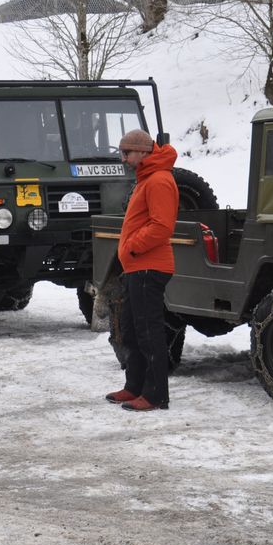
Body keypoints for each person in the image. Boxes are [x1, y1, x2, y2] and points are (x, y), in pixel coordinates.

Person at [105, 129, 179, 411]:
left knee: (149, 333)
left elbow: (162, 226)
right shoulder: (147, 179)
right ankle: (134, 387)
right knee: (132, 330)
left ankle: (156, 395)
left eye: (127, 153)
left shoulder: (159, 180)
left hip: (150, 265)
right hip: (137, 266)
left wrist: (132, 246)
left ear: (143, 152)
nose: (124, 159)